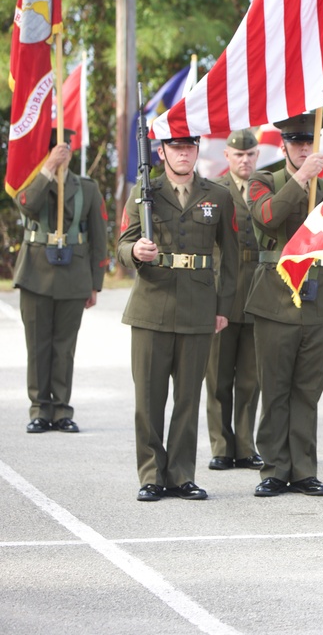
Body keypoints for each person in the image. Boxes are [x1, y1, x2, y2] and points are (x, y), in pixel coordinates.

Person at [118, 134, 238, 502]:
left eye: (189, 147)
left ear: (197, 150)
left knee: (188, 397)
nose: (183, 153)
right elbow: (122, 243)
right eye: (175, 147)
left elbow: (230, 258)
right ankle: (152, 474)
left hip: (198, 307)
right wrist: (135, 250)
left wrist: (224, 308)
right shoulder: (144, 192)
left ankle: (182, 474)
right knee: (150, 399)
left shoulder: (217, 195)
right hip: (152, 304)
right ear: (161, 152)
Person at [245, 113, 323, 499]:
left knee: (308, 392)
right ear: (284, 144)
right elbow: (268, 217)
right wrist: (300, 178)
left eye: (309, 142)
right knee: (275, 389)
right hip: (276, 300)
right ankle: (274, 469)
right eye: (296, 142)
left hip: (321, 299)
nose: (303, 148)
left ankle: (304, 469)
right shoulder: (263, 181)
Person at [14, 128, 107, 434]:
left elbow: (98, 237)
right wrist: (48, 168)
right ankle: (40, 409)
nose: (61, 151)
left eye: (64, 147)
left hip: (74, 275)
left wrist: (95, 283)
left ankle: (62, 410)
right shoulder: (31, 182)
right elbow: (26, 205)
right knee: (38, 346)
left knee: (64, 347)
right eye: (55, 147)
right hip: (35, 275)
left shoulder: (88, 189)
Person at [205, 129, 264, 471]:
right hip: (222, 292)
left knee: (250, 378)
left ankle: (245, 444)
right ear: (226, 156)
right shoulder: (213, 191)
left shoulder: (264, 191)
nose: (244, 160)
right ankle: (221, 445)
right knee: (218, 376)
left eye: (250, 154)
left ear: (257, 156)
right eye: (238, 155)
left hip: (257, 292)